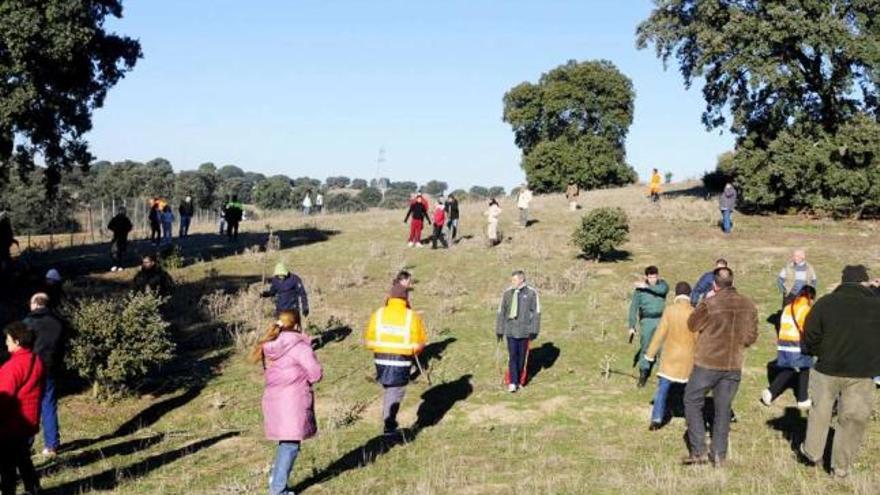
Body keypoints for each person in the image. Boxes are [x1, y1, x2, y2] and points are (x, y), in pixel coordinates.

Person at [800, 265, 880, 478]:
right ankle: (841, 468)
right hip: (862, 373)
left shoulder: (826, 303)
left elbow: (810, 335)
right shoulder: (876, 305)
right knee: (853, 420)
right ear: (865, 282)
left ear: (843, 281)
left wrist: (820, 352)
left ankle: (812, 453)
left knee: (820, 413)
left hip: (827, 368)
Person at [682, 267, 758, 467]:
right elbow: (751, 337)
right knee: (723, 409)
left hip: (708, 363)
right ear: (732, 282)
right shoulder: (748, 305)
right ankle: (718, 455)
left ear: (714, 285)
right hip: (733, 364)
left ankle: (699, 450)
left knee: (691, 399)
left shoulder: (709, 303)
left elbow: (692, 325)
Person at [250, 311, 322, 495]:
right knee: (290, 444)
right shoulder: (300, 347)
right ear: (297, 325)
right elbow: (316, 374)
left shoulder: (269, 345)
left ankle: (276, 479)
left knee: (285, 442)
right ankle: (278, 489)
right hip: (293, 400)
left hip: (273, 399)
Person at [364, 273, 427, 434]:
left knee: (389, 387)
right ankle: (389, 425)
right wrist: (414, 350)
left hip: (380, 358)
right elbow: (420, 343)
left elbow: (369, 339)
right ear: (406, 298)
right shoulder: (411, 316)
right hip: (401, 359)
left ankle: (388, 419)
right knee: (395, 389)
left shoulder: (378, 313)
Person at [644, 282, 696, 430]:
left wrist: (650, 354)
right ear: (689, 294)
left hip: (670, 357)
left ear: (676, 294)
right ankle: (689, 419)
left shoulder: (669, 310)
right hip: (688, 358)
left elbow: (660, 333)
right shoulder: (694, 312)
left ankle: (657, 419)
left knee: (662, 390)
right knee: (688, 391)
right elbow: (699, 337)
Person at [0, 322, 44, 495]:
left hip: (10, 423)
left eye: (8, 339)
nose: (5, 343)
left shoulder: (11, 367)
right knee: (23, 458)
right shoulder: (37, 361)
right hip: (28, 420)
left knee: (6, 465)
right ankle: (33, 489)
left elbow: (4, 399)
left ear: (17, 341)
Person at [761, 285, 816, 410]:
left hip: (784, 342)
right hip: (796, 343)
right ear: (810, 297)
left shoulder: (787, 307)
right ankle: (799, 398)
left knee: (794, 368)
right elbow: (806, 328)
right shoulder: (806, 309)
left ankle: (798, 397)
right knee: (801, 367)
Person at [23, 293, 64, 456]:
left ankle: (26, 444)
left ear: (34, 304)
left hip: (32, 367)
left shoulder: (28, 322)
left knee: (29, 405)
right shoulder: (58, 322)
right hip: (51, 367)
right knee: (49, 405)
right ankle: (51, 445)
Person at [495, 270, 541, 393]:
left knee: (522, 357)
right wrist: (499, 330)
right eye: (512, 280)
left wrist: (534, 330)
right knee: (512, 356)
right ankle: (512, 382)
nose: (512, 282)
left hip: (525, 332)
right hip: (510, 330)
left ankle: (520, 380)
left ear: (521, 280)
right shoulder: (507, 293)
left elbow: (536, 313)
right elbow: (501, 312)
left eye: (514, 280)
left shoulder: (531, 293)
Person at [628, 266, 669, 387]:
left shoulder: (662, 285)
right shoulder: (639, 291)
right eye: (650, 277)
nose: (653, 279)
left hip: (661, 319)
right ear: (646, 277)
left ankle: (663, 375)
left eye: (655, 277)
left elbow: (662, 291)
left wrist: (646, 286)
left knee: (662, 348)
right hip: (647, 320)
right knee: (646, 346)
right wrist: (631, 325)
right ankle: (643, 373)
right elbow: (633, 308)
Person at [107, 206, 133, 272]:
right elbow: (109, 226)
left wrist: (125, 231)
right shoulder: (116, 218)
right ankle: (116, 265)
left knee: (119, 252)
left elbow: (130, 227)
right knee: (115, 251)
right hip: (117, 238)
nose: (123, 212)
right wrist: (115, 229)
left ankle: (119, 265)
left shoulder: (125, 219)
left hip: (122, 237)